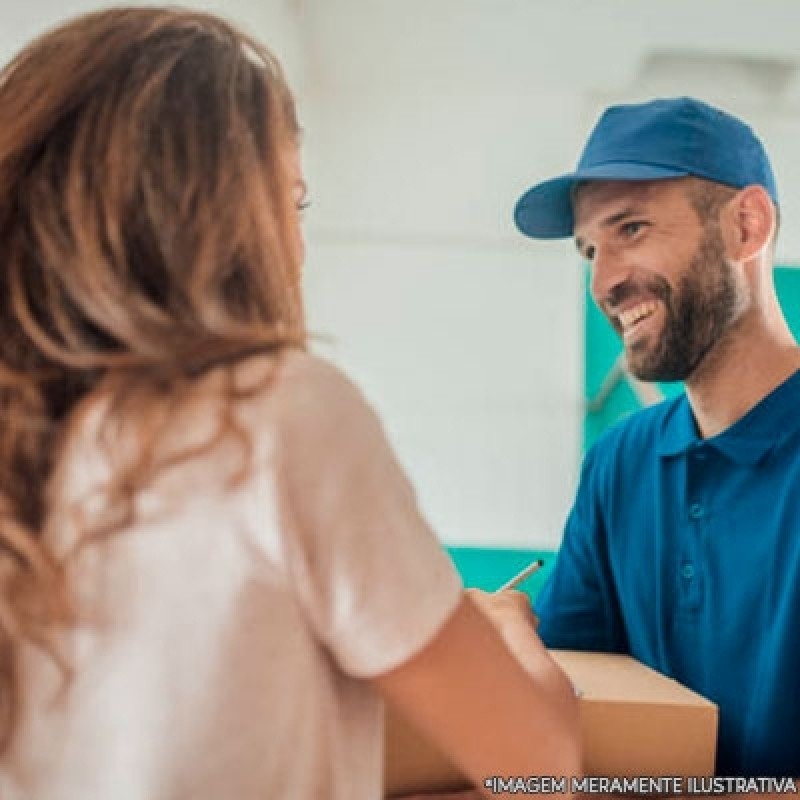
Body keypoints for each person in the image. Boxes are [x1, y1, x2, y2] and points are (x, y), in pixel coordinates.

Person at [0, 8, 581, 799]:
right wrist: (508, 628)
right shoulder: (276, 412)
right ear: (220, 217)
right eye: (293, 202)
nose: (298, 247)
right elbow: (538, 765)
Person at [514, 96, 800, 778]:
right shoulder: (619, 464)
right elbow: (572, 700)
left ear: (747, 226)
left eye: (632, 228)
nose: (604, 281)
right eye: (589, 249)